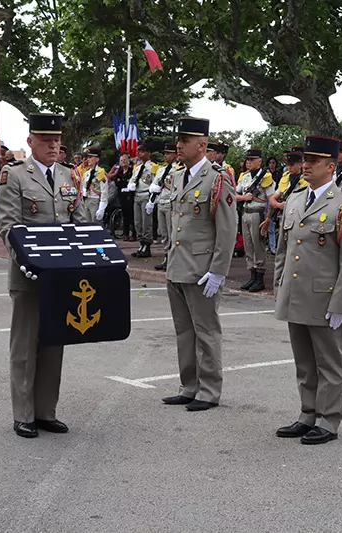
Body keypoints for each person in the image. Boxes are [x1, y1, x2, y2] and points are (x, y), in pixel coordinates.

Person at [0, 113, 88, 438]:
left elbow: (81, 220)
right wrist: (25, 262)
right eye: (45, 139)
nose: (53, 144)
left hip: (61, 277)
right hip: (28, 276)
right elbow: (8, 227)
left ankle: (46, 411)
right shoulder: (15, 175)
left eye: (56, 139)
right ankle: (23, 414)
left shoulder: (69, 177)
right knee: (25, 345)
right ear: (30, 141)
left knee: (53, 343)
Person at [274, 135, 342, 444]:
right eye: (305, 161)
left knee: (329, 362)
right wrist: (280, 287)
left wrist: (341, 305)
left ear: (330, 166)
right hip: (296, 294)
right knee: (303, 360)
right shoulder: (295, 199)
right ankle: (307, 412)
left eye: (313, 162)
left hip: (324, 296)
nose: (306, 166)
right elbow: (285, 252)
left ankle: (328, 419)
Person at [162, 117, 237, 411]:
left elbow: (227, 230)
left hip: (203, 270)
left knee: (206, 331)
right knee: (184, 331)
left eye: (184, 140)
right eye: (178, 140)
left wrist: (218, 271)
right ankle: (189, 385)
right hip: (178, 265)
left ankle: (208, 390)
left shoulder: (217, 179)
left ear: (202, 145)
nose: (178, 145)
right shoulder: (178, 176)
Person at [236, 149, 275, 292]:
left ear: (259, 161)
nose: (248, 162)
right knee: (248, 245)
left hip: (257, 213)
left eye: (252, 160)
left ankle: (259, 278)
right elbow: (234, 194)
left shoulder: (266, 177)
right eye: (247, 160)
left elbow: (271, 199)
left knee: (258, 245)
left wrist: (268, 218)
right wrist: (243, 198)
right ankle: (252, 275)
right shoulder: (244, 177)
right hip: (245, 213)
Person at [126, 142, 159, 257]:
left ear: (148, 153)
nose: (139, 154)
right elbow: (132, 179)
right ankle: (141, 244)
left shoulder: (153, 167)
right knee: (137, 222)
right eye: (138, 151)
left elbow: (156, 183)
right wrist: (130, 184)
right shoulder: (138, 167)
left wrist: (153, 200)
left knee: (146, 222)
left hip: (146, 195)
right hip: (137, 195)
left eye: (142, 151)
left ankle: (147, 245)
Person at [151, 143, 179, 271]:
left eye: (168, 153)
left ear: (175, 154)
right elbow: (155, 183)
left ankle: (173, 259)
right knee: (164, 234)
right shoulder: (162, 170)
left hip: (170, 203)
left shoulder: (178, 169)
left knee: (171, 232)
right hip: (161, 202)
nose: (165, 155)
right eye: (165, 153)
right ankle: (166, 257)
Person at [107, 153, 134, 240]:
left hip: (130, 194)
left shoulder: (131, 170)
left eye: (125, 160)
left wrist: (127, 186)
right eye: (121, 161)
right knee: (125, 214)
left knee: (131, 214)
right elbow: (117, 181)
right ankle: (126, 234)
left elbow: (132, 181)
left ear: (128, 161)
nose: (123, 162)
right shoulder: (119, 171)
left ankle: (133, 234)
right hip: (121, 194)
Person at [80, 147, 108, 222]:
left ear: (97, 159)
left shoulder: (100, 173)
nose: (88, 159)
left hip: (95, 201)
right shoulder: (86, 173)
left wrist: (102, 207)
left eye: (90, 157)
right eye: (87, 157)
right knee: (87, 225)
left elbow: (104, 191)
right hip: (86, 200)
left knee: (95, 225)